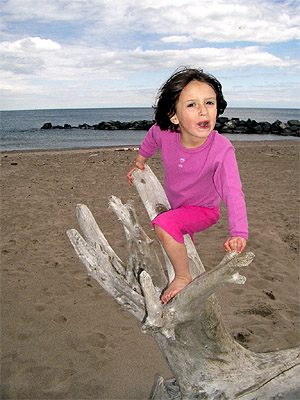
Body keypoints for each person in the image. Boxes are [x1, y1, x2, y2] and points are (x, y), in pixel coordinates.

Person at [127, 67, 248, 305]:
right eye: (192, 105)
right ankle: (181, 272)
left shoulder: (221, 150)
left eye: (209, 103)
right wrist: (140, 161)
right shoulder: (165, 132)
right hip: (177, 204)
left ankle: (183, 277)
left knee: (164, 223)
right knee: (178, 240)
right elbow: (151, 137)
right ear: (174, 116)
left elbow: (233, 192)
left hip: (204, 211)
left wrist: (238, 233)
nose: (203, 110)